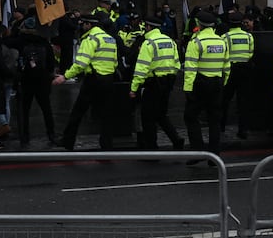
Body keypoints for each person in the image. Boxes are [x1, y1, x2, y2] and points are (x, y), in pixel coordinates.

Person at [52, 12, 119, 151]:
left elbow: (80, 63)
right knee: (106, 114)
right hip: (108, 79)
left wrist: (64, 76)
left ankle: (68, 141)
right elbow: (115, 61)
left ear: (89, 24)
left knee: (78, 112)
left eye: (83, 23)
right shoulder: (110, 39)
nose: (81, 26)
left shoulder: (91, 39)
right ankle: (107, 145)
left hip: (93, 80)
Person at [129, 15, 185, 151]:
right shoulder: (170, 41)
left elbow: (141, 68)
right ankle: (176, 140)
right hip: (168, 83)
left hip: (153, 84)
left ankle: (151, 149)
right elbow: (177, 64)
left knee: (147, 118)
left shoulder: (148, 43)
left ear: (149, 27)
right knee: (160, 115)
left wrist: (134, 88)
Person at [183, 11, 229, 163]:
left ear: (199, 24)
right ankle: (214, 156)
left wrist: (188, 89)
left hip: (200, 83)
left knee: (191, 116)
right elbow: (226, 66)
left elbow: (190, 68)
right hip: (217, 82)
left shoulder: (196, 42)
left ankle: (197, 152)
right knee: (214, 120)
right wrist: (224, 82)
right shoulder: (222, 42)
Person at [14, 17, 56, 147]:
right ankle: (52, 135)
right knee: (46, 109)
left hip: (25, 80)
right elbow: (51, 63)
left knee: (24, 110)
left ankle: (24, 137)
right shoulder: (44, 43)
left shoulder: (19, 42)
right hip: (42, 80)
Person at [220, 11, 255, 139]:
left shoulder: (225, 37)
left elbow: (223, 54)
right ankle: (243, 130)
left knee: (225, 100)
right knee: (243, 101)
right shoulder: (249, 37)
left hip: (230, 70)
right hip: (245, 69)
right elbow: (251, 53)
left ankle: (221, 126)